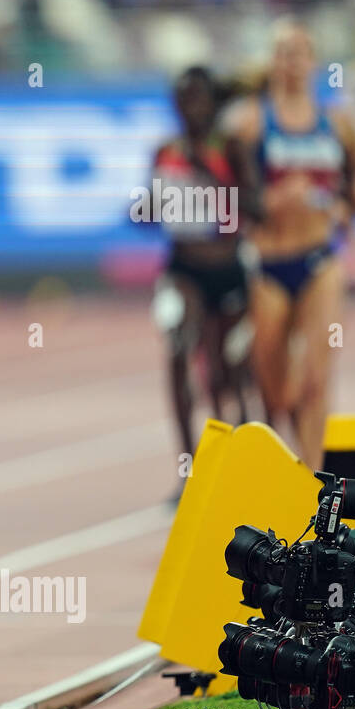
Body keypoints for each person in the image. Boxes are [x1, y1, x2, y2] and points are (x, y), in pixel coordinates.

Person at [227, 20, 355, 466]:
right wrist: (266, 200)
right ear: (272, 60)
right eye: (282, 51)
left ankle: (313, 485)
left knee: (316, 382)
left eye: (299, 51)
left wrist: (349, 207)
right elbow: (228, 192)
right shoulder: (250, 122)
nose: (291, 61)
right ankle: (288, 462)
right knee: (276, 391)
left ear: (312, 61)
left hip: (319, 261)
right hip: (269, 263)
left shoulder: (336, 122)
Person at [147, 67, 257, 492]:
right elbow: (144, 212)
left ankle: (238, 460)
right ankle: (188, 467)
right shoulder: (164, 152)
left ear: (213, 103)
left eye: (198, 99)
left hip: (229, 268)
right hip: (184, 269)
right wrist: (149, 205)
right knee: (178, 348)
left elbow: (255, 204)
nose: (190, 108)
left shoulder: (229, 147)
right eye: (182, 100)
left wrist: (209, 176)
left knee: (228, 373)